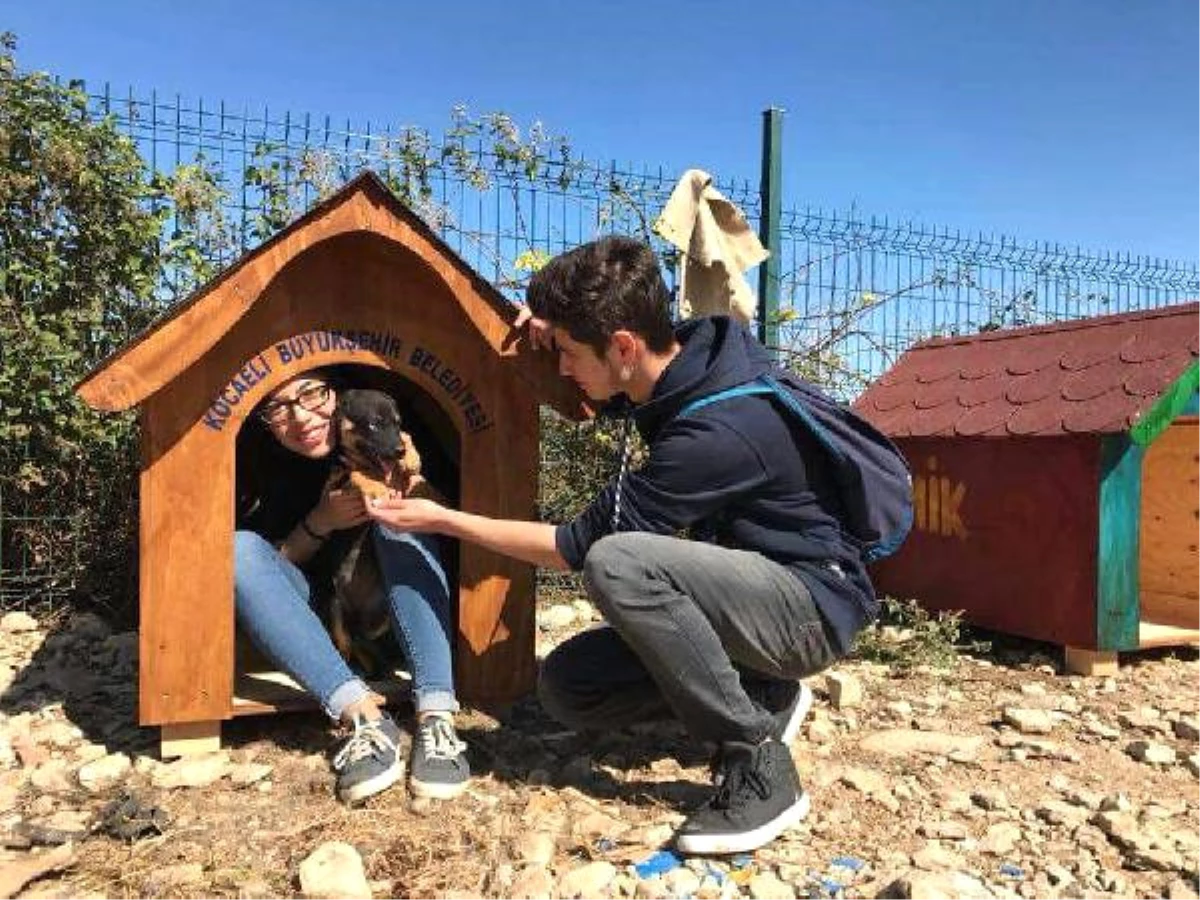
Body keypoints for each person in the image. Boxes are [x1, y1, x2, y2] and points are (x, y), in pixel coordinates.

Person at [366, 236, 878, 854]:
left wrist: (444, 518)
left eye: (568, 353)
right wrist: (551, 331)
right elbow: (613, 388)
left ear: (624, 346)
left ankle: (757, 762)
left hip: (807, 610)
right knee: (571, 687)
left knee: (618, 561)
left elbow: (574, 547)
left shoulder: (720, 431)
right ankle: (762, 691)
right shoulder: (685, 364)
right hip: (750, 597)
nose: (561, 369)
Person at [235, 369, 470, 803]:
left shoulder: (393, 442)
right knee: (239, 550)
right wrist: (320, 522)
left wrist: (413, 491)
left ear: (339, 397)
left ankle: (436, 713)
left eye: (311, 393)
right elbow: (268, 574)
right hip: (326, 624)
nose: (301, 415)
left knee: (399, 516)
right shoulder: (266, 469)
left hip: (408, 617)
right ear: (262, 419)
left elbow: (459, 525)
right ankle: (359, 715)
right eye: (278, 407)